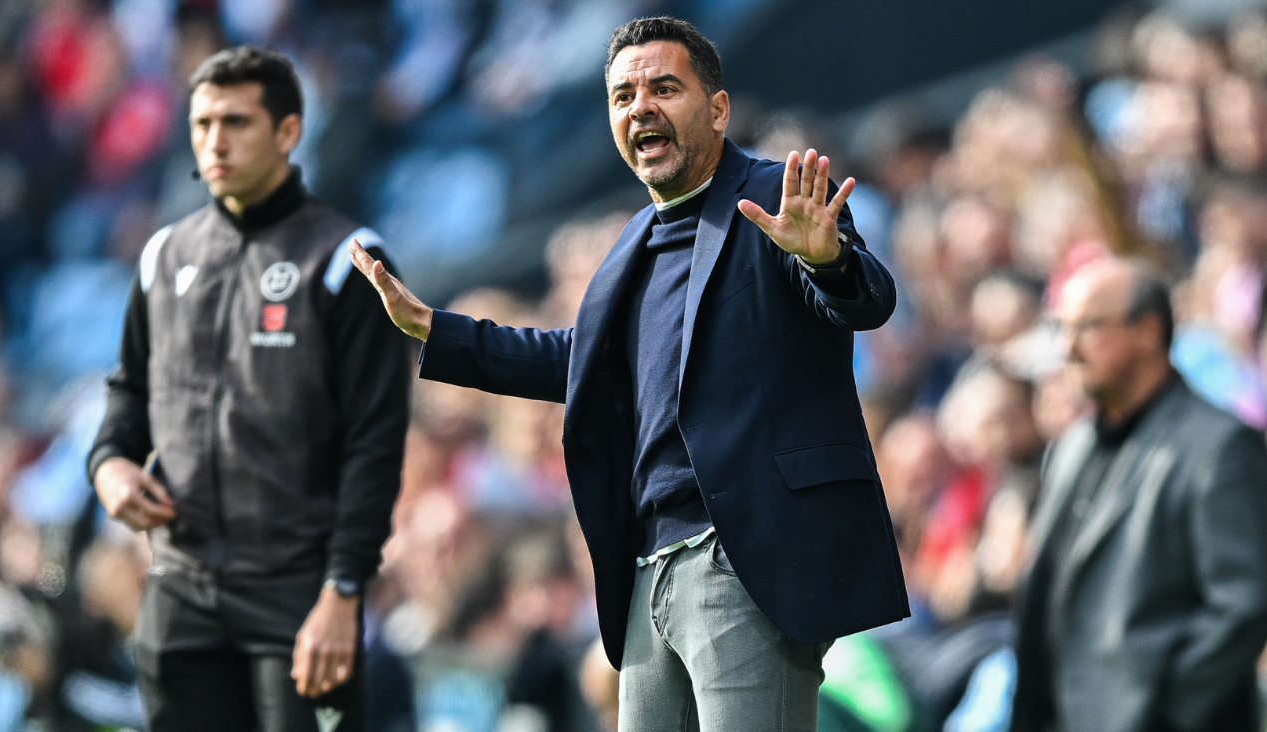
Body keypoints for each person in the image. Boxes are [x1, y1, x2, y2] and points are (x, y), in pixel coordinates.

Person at [350, 16, 908, 731]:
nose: (640, 107)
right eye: (623, 96)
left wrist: (826, 259)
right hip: (648, 568)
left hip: (745, 558)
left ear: (717, 109)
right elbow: (579, 362)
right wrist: (435, 330)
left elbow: (867, 300)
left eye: (664, 88)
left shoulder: (775, 195)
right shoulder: (630, 244)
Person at [86, 47, 412, 732]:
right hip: (179, 591)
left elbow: (375, 444)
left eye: (236, 122)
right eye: (202, 124)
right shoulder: (164, 256)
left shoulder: (345, 258)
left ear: (288, 132)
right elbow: (130, 391)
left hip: (298, 594)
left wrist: (343, 591)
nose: (215, 142)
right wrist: (110, 462)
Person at [1011, 258, 1267, 732]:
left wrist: (1162, 712)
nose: (1068, 347)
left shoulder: (1220, 446)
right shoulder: (1071, 445)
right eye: (1062, 328)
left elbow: (1244, 605)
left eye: (1088, 327)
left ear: (1148, 332)